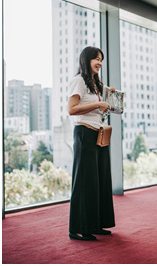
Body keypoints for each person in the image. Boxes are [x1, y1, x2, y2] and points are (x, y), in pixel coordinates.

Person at [66, 46, 116, 242]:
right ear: (86, 60)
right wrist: (98, 104)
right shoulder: (78, 80)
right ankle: (77, 229)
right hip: (85, 133)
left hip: (98, 134)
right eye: (96, 58)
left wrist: (107, 97)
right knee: (84, 182)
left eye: (101, 59)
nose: (100, 62)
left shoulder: (95, 84)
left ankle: (95, 224)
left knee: (99, 182)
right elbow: (72, 109)